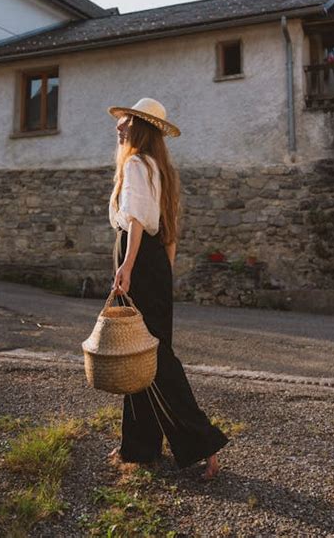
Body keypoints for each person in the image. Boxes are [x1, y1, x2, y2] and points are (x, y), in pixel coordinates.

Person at [106, 97, 229, 481]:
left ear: (138, 126)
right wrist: (163, 272)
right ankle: (139, 447)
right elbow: (169, 232)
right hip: (153, 264)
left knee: (154, 358)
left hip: (139, 260)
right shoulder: (160, 170)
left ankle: (203, 442)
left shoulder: (137, 164)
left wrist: (128, 267)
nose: (118, 126)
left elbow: (137, 223)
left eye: (124, 120)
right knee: (137, 356)